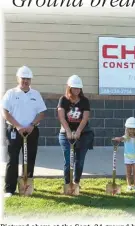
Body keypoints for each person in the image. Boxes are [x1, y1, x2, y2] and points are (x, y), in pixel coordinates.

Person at [2, 65, 47, 197]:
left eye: (28, 79)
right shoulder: (11, 93)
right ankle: (9, 189)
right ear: (18, 78)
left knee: (29, 159)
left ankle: (26, 186)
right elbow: (4, 112)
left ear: (31, 80)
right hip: (15, 131)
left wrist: (32, 125)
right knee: (13, 159)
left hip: (32, 131)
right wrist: (18, 126)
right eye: (23, 78)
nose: (25, 81)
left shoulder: (35, 94)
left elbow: (42, 113)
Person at [57, 74, 94, 189]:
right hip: (65, 133)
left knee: (79, 160)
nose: (77, 90)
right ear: (69, 88)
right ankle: (68, 183)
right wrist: (68, 131)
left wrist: (78, 131)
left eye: (78, 88)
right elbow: (61, 117)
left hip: (83, 133)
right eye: (74, 88)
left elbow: (85, 118)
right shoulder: (63, 100)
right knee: (68, 160)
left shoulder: (84, 101)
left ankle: (76, 183)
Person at [112, 117, 135, 192]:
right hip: (127, 157)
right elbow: (120, 138)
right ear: (127, 129)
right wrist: (116, 139)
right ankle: (129, 186)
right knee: (128, 172)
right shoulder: (125, 137)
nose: (131, 130)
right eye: (130, 128)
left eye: (133, 129)